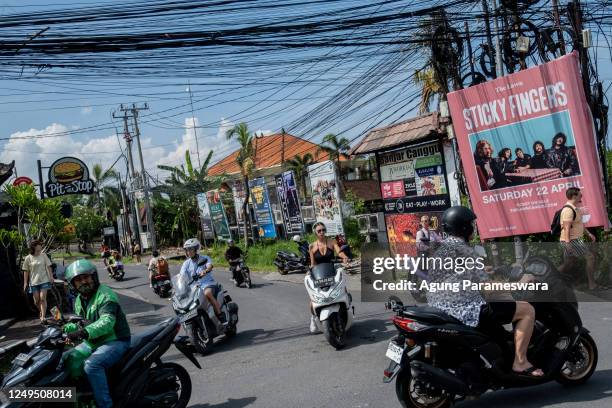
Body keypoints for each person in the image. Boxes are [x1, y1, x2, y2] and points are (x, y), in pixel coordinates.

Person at [426, 206, 543, 377]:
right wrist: (520, 283)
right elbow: (488, 288)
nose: (474, 227)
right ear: (464, 227)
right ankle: (520, 362)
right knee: (526, 310)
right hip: (464, 309)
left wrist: (482, 270)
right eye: (471, 224)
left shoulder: (443, 249)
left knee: (501, 303)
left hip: (440, 306)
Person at [63, 259, 131, 408]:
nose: (83, 282)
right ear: (73, 285)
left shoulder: (105, 295)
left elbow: (107, 322)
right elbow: (80, 322)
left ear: (94, 277)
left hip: (116, 340)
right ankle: (83, 397)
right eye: (78, 280)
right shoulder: (79, 300)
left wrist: (82, 333)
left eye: (86, 277)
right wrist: (63, 328)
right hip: (95, 341)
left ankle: (105, 404)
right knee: (69, 359)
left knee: (92, 365)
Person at [307, 222, 349, 333]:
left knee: (343, 290)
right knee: (313, 299)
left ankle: (346, 310)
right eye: (319, 231)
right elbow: (313, 263)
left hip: (332, 271)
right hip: (319, 274)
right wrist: (309, 272)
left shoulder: (331, 242)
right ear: (315, 233)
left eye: (323, 230)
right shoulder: (312, 246)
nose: (322, 232)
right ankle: (313, 318)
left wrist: (344, 257)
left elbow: (339, 252)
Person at [558, 187, 599, 290]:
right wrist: (568, 244)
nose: (581, 197)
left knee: (569, 263)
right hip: (572, 240)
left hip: (574, 240)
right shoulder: (568, 210)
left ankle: (549, 279)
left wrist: (589, 234)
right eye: (580, 195)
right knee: (590, 257)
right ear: (574, 196)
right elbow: (566, 228)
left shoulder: (575, 208)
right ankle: (592, 284)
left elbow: (580, 224)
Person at [180, 238, 226, 323]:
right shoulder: (186, 263)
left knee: (207, 293)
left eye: (190, 249)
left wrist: (205, 270)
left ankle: (220, 315)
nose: (188, 252)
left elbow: (209, 266)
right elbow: (182, 275)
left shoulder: (205, 258)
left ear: (196, 249)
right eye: (186, 250)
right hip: (194, 288)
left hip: (208, 284)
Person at [22, 239, 54, 324]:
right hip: (33, 282)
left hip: (44, 280)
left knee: (42, 298)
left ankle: (43, 317)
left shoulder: (43, 255)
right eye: (38, 247)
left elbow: (49, 266)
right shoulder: (28, 258)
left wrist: (51, 276)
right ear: (34, 248)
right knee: (36, 301)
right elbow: (26, 271)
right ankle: (41, 310)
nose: (40, 249)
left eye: (41, 247)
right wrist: (25, 283)